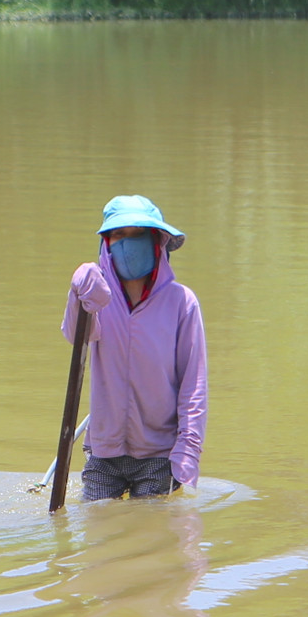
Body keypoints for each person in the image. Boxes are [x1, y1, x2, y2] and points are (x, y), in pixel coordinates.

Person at [63, 195, 207, 501]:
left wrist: (187, 453)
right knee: (100, 534)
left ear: (157, 241)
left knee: (149, 533)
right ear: (106, 244)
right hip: (105, 452)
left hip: (159, 455)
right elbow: (78, 338)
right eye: (118, 235)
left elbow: (193, 387)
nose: (127, 244)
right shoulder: (96, 296)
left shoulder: (181, 303)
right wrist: (77, 294)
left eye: (137, 234)